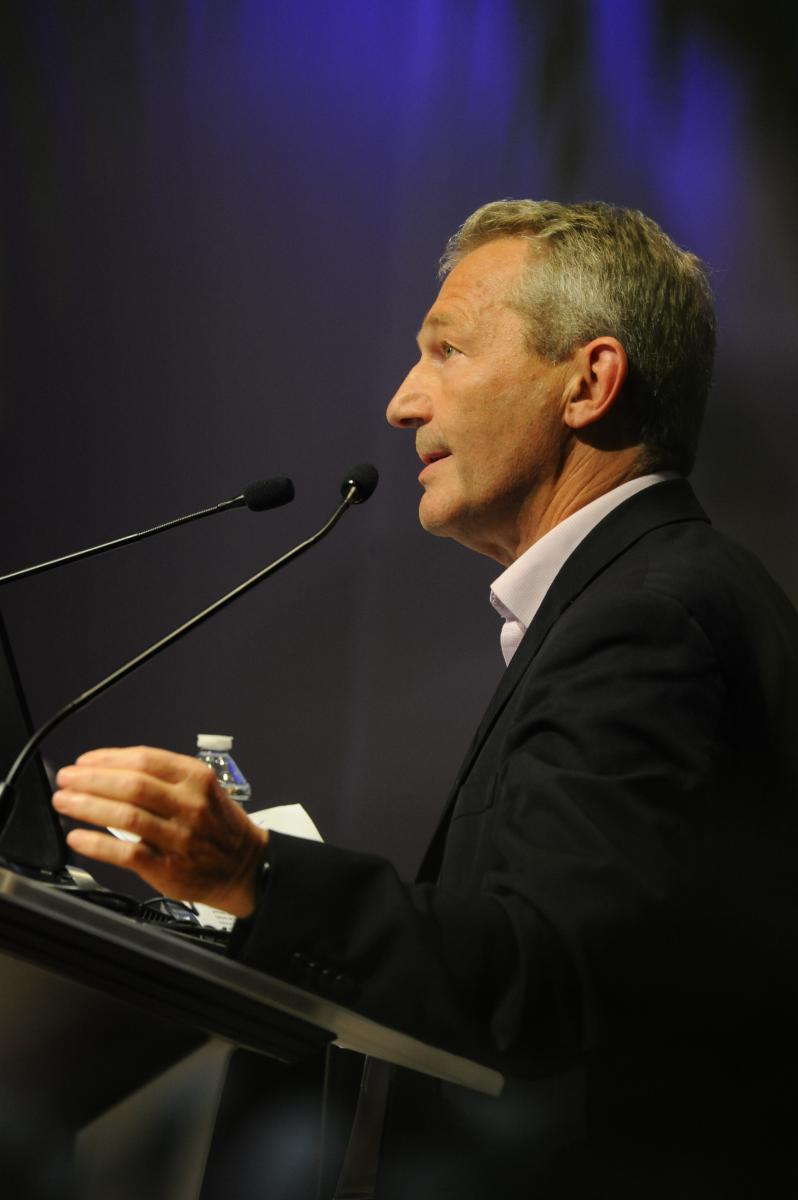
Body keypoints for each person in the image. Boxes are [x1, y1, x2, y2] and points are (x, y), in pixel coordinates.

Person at [53, 200, 798, 1198]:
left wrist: (255, 873)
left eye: (446, 350)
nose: (403, 403)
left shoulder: (648, 621)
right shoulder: (660, 595)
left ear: (588, 383)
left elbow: (546, 980)